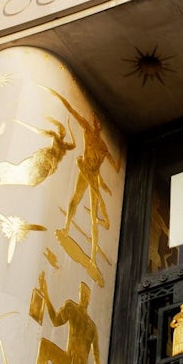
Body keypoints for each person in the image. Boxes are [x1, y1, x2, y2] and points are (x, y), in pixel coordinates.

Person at [51, 90, 119, 259]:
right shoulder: (87, 131)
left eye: (97, 121)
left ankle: (93, 255)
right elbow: (73, 112)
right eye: (94, 120)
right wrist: (60, 97)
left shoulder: (103, 145)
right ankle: (66, 228)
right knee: (75, 199)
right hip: (86, 170)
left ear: (100, 126)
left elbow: (115, 166)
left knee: (93, 214)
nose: (96, 123)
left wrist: (104, 184)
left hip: (93, 174)